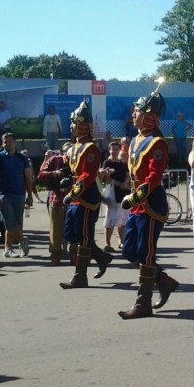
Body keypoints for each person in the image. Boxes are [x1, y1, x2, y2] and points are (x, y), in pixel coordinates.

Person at [118, 88, 179, 319]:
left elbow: (153, 178)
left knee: (145, 252)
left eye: (137, 111)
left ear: (148, 115)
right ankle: (163, 281)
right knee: (129, 250)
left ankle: (143, 304)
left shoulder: (157, 143)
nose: (133, 114)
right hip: (137, 205)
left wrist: (134, 197)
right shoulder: (135, 140)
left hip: (151, 205)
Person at [59, 101, 113, 289]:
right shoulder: (74, 147)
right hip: (76, 196)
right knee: (73, 234)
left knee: (83, 236)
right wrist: (65, 178)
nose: (71, 126)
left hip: (86, 197)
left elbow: (88, 175)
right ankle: (102, 257)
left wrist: (73, 193)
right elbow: (73, 170)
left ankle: (80, 276)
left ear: (83, 125)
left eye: (74, 123)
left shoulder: (90, 147)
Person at [0, 133, 34, 259]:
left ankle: (8, 249)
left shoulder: (22, 158)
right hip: (3, 195)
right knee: (10, 222)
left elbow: (27, 178)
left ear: (15, 142)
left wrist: (30, 195)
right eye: (5, 142)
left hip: (19, 194)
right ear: (2, 143)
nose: (7, 144)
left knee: (16, 224)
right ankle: (23, 241)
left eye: (10, 141)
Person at [37, 143, 72, 266]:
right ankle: (55, 255)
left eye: (71, 151)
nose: (69, 154)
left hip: (74, 199)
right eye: (67, 151)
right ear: (62, 152)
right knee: (55, 230)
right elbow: (40, 175)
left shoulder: (77, 161)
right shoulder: (54, 160)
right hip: (56, 198)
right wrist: (55, 174)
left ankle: (71, 253)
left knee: (72, 229)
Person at [100, 140, 129, 251]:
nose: (115, 151)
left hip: (123, 193)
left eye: (117, 149)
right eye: (113, 149)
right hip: (112, 193)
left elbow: (127, 175)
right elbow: (106, 178)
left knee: (122, 219)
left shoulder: (123, 163)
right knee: (110, 219)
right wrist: (119, 184)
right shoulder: (107, 163)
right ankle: (107, 243)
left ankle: (121, 241)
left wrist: (125, 182)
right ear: (109, 150)